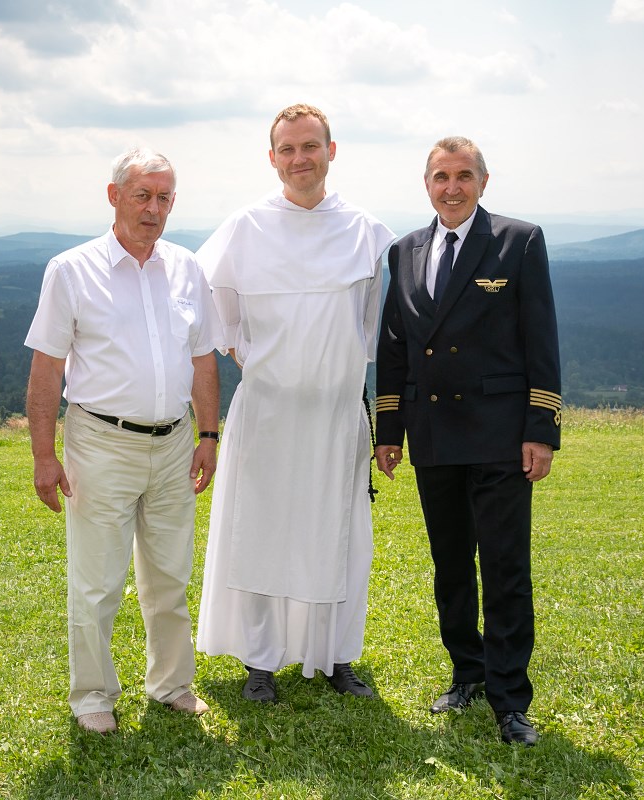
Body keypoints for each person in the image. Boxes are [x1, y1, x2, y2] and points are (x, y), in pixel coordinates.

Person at [194, 104, 394, 703]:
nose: (299, 158)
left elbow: (373, 326)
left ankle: (335, 656)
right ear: (272, 157)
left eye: (310, 146)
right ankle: (260, 660)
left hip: (336, 413)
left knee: (336, 534)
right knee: (261, 532)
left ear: (332, 151)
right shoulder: (244, 228)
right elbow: (218, 314)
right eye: (287, 149)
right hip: (267, 412)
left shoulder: (366, 232)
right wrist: (255, 357)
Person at [24, 146, 222, 735]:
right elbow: (46, 368)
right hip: (100, 443)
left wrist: (208, 433)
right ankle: (92, 696)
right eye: (142, 195)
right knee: (96, 582)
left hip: (175, 442)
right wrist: (43, 456)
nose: (153, 208)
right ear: (114, 196)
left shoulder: (187, 268)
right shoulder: (71, 270)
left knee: (170, 577)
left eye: (164, 198)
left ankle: (172, 685)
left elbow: (203, 359)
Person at [374, 136, 561, 746]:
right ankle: (467, 672)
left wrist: (541, 430)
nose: (451, 188)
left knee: (505, 567)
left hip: (499, 435)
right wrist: (389, 430)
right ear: (426, 184)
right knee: (451, 566)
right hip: (433, 435)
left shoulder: (518, 241)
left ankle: (510, 699)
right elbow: (394, 346)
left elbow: (541, 338)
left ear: (483, 181)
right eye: (440, 177)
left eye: (463, 176)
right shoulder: (404, 250)